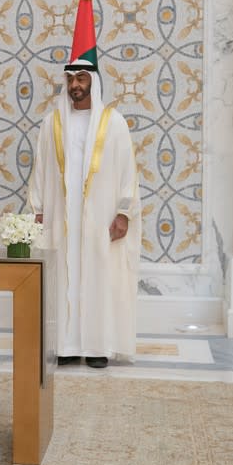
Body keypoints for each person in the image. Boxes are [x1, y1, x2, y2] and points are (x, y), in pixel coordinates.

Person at [29, 58, 140, 369]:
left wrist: (123, 212)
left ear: (93, 80)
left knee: (98, 276)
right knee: (62, 275)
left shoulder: (114, 122)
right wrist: (38, 210)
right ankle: (64, 345)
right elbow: (40, 169)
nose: (75, 85)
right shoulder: (51, 123)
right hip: (60, 218)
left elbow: (127, 171)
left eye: (81, 78)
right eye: (71, 79)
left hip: (99, 218)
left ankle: (97, 346)